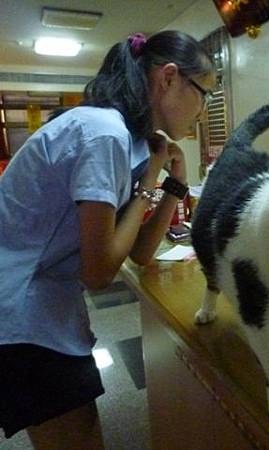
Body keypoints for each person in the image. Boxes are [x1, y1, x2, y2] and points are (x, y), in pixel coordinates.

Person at [0, 31, 215, 449]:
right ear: (169, 78)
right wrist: (152, 177)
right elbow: (99, 272)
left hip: (43, 307)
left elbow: (138, 251)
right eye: (204, 93)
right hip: (18, 313)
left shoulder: (127, 138)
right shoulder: (104, 134)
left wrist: (176, 183)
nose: (203, 112)